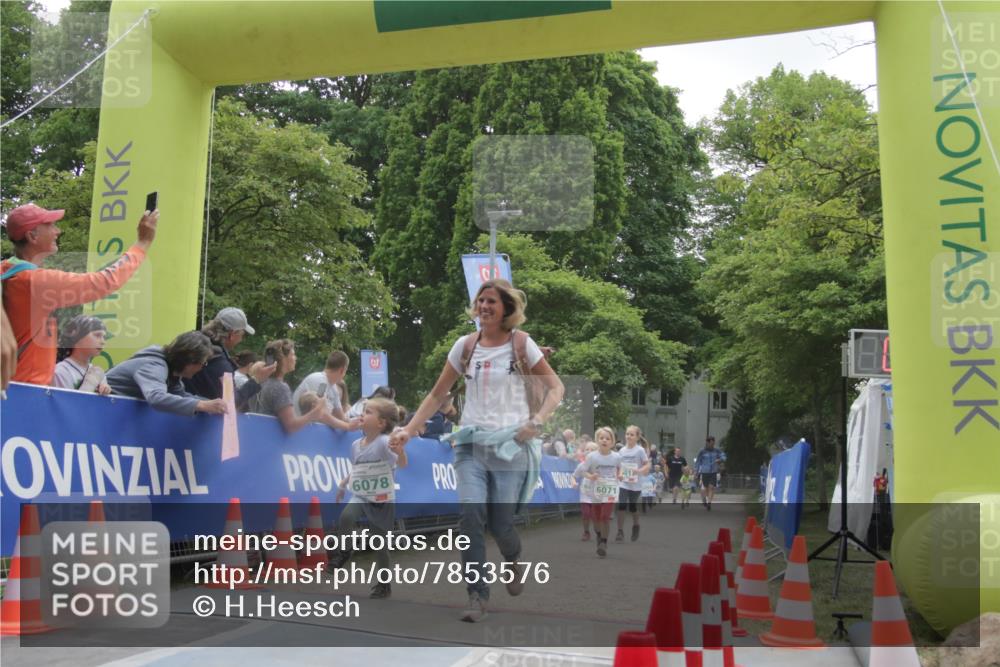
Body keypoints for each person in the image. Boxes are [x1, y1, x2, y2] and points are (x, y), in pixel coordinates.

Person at [390, 278, 564, 622]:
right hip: (469, 443)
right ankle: (477, 596)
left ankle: (512, 560)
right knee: (470, 516)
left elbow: (556, 388)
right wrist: (409, 429)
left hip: (510, 446)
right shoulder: (465, 346)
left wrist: (538, 421)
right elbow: (438, 393)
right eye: (480, 301)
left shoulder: (521, 344)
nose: (484, 306)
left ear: (506, 310)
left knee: (501, 525)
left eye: (492, 302)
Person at [2, 203, 158, 385]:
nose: (57, 231)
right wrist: (142, 243)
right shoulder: (33, 281)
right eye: (50, 225)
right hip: (25, 391)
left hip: (11, 386)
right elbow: (104, 282)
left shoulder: (7, 271)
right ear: (32, 236)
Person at [329, 397, 407, 598]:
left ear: (381, 423)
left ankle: (383, 583)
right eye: (363, 411)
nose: (363, 415)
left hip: (382, 498)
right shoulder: (356, 445)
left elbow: (403, 463)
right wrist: (343, 484)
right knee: (346, 517)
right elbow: (357, 469)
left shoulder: (383, 442)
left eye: (369, 412)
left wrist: (400, 450)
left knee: (379, 544)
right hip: (362, 494)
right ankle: (344, 551)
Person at [105, 331, 227, 416]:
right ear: (190, 361)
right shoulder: (154, 366)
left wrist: (214, 405)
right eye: (203, 363)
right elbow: (157, 398)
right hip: (101, 407)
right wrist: (202, 405)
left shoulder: (170, 370)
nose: (202, 368)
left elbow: (180, 395)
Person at [184, 308, 275, 411]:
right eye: (242, 335)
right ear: (232, 334)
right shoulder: (219, 364)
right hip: (196, 422)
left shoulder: (188, 342)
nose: (241, 340)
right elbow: (230, 403)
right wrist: (257, 379)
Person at [247, 339, 328, 433]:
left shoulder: (261, 383)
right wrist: (315, 412)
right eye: (293, 354)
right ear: (282, 358)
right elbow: (291, 426)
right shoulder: (279, 387)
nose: (295, 358)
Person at [578, 426, 620, 558]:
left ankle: (603, 543)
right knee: (596, 518)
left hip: (609, 491)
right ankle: (598, 535)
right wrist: (590, 476)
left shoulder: (617, 457)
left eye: (608, 438)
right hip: (595, 492)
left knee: (605, 517)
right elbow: (582, 470)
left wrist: (620, 475)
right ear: (597, 440)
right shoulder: (591, 456)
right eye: (601, 438)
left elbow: (621, 469)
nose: (604, 440)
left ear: (612, 442)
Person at [291, 350, 358, 430]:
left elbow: (340, 417)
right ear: (342, 370)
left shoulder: (333, 387)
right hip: (300, 431)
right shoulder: (321, 382)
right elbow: (321, 414)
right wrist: (347, 426)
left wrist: (356, 422)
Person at [51, 315, 111, 394]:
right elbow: (66, 405)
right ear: (76, 337)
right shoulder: (61, 372)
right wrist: (90, 383)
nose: (103, 341)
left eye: (104, 337)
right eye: (97, 335)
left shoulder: (98, 373)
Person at [615, 424, 650, 542]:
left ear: (637, 437)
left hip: (636, 483)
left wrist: (639, 471)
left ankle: (636, 525)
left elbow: (646, 465)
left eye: (631, 434)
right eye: (627, 434)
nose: (629, 436)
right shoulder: (621, 451)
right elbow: (618, 466)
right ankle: (620, 531)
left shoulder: (640, 450)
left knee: (633, 507)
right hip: (623, 482)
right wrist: (618, 474)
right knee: (622, 505)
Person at [572, 441, 599, 541]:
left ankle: (599, 532)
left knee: (595, 516)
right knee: (586, 514)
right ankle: (586, 532)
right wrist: (574, 482)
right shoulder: (582, 465)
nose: (589, 451)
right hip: (585, 494)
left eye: (592, 450)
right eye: (587, 449)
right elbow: (573, 476)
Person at [694, 435, 726, 511]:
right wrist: (696, 471)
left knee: (711, 487)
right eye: (711, 443)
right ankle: (705, 500)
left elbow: (724, 456)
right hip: (705, 472)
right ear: (707, 443)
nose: (712, 445)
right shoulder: (702, 451)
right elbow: (698, 462)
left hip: (713, 472)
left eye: (713, 443)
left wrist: (720, 459)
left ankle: (709, 503)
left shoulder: (716, 450)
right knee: (705, 489)